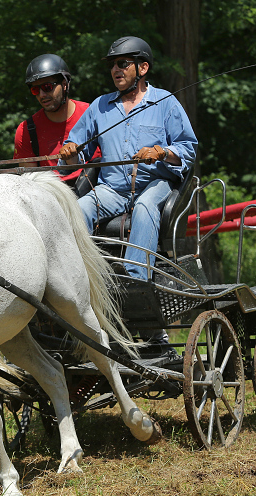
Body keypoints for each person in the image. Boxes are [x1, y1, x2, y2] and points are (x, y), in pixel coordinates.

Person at [59, 36, 197, 357]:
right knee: (77, 209)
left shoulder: (165, 103)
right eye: (112, 65)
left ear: (142, 67)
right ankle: (71, 280)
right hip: (111, 189)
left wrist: (161, 151)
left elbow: (187, 149)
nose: (116, 70)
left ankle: (138, 287)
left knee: (147, 206)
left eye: (123, 64)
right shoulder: (99, 107)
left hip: (157, 185)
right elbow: (75, 151)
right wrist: (69, 152)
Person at [14, 54, 100, 191]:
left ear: (64, 85)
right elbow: (28, 183)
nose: (42, 94)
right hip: (53, 198)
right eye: (35, 89)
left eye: (47, 87)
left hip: (94, 192)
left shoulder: (94, 114)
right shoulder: (26, 130)